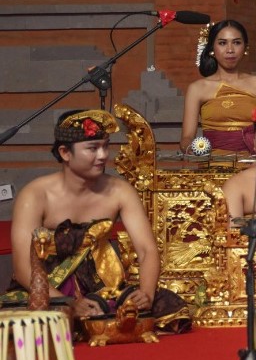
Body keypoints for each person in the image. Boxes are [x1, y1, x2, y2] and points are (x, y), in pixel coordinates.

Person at [3, 110, 191, 332]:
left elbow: (146, 250)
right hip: (48, 285)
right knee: (28, 320)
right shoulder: (35, 195)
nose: (102, 156)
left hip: (101, 283)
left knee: (163, 308)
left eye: (105, 146)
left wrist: (146, 293)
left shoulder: (120, 191)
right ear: (65, 153)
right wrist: (67, 302)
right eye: (92, 148)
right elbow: (23, 267)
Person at [179, 19, 256, 156]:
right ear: (212, 48)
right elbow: (187, 137)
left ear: (245, 48)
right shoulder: (197, 88)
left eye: (236, 43)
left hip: (253, 163)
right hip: (212, 164)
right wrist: (191, 148)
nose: (230, 50)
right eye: (222, 43)